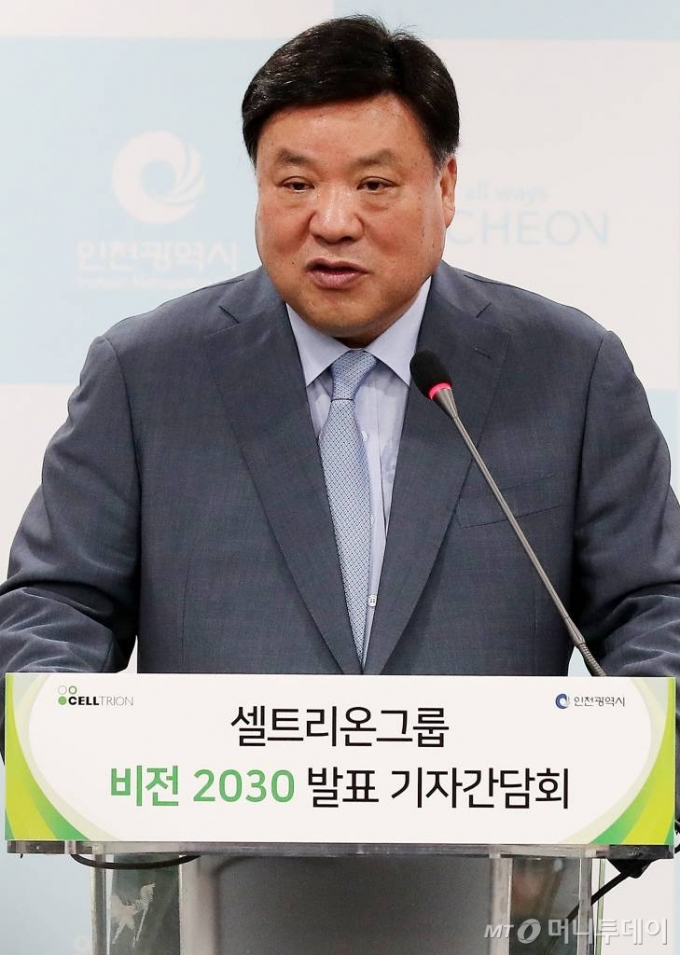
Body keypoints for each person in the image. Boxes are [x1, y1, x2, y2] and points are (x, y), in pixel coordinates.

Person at [1, 15, 679, 952]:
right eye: (295, 184)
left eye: (373, 183)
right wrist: (73, 750)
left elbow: (655, 606)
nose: (331, 221)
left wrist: (626, 778)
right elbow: (54, 603)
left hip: (500, 906)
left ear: (446, 187)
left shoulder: (568, 371)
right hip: (207, 906)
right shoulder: (147, 373)